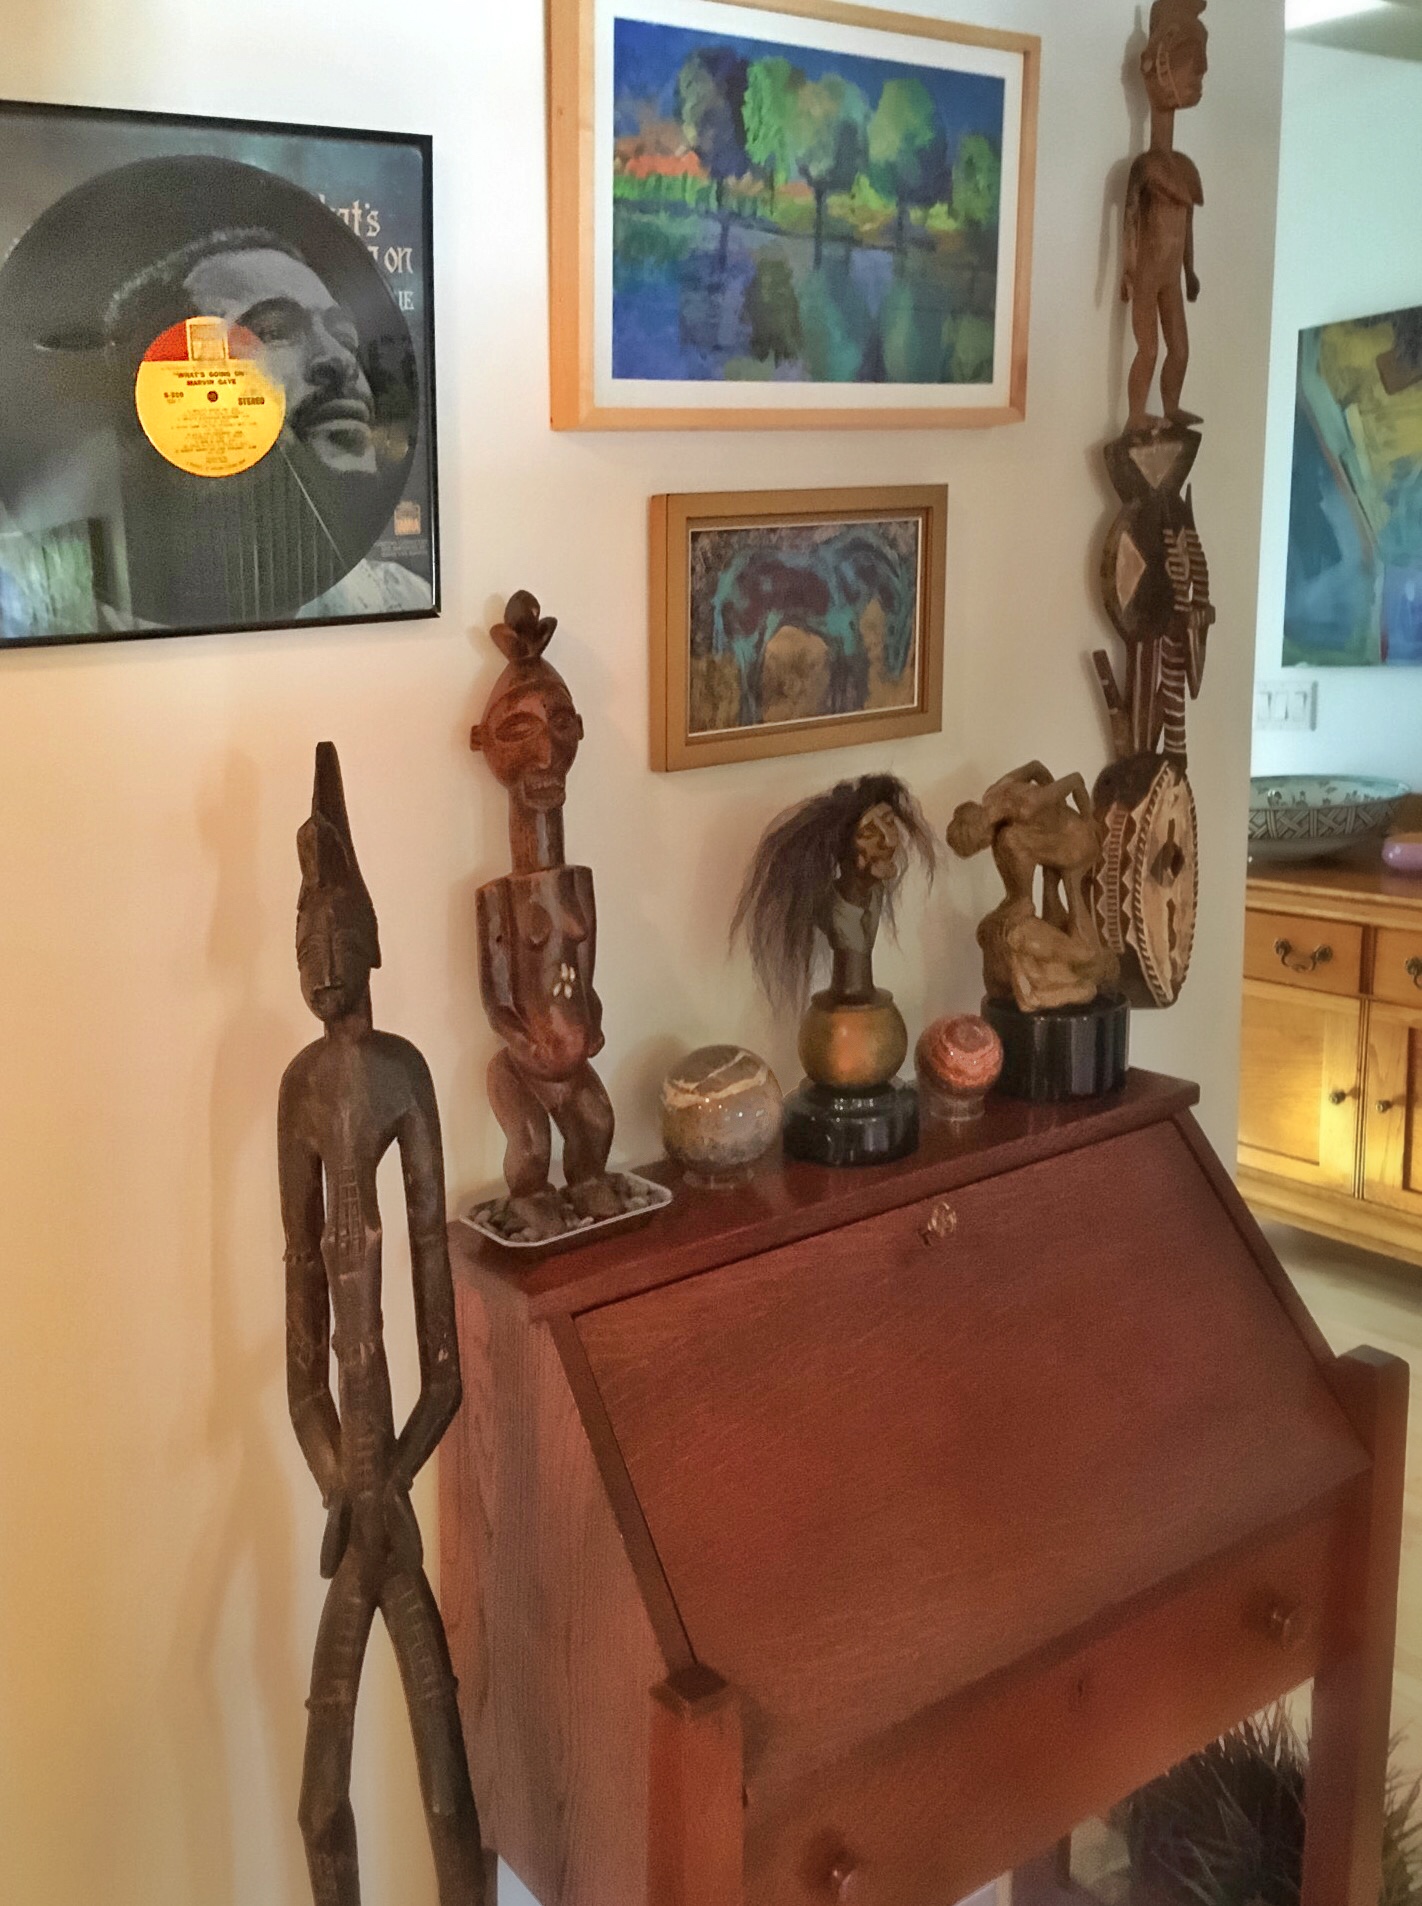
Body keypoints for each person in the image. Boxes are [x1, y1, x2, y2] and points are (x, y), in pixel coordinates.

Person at [278, 744, 485, 1906]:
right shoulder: (298, 1093)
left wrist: (389, 1483)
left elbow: (443, 1365)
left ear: (365, 941)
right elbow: (301, 1355)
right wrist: (339, 1483)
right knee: (322, 1804)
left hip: (387, 1506)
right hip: (355, 1506)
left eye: (331, 938)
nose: (318, 966)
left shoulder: (404, 1076)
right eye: (302, 941)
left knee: (447, 1796)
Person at [102, 225, 426, 622]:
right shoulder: (102, 618)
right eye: (274, 332)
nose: (339, 359)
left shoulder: (405, 596)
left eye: (344, 337)